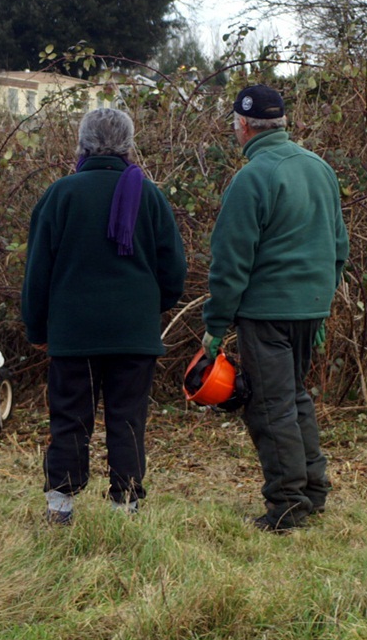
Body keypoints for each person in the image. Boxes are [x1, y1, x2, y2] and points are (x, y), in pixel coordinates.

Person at [22, 109, 187, 524]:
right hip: (134, 334)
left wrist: (37, 327)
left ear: (82, 143)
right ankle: (124, 508)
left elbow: (38, 271)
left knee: (69, 418)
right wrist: (147, 309)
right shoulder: (149, 195)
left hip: (73, 333)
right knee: (128, 421)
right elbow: (174, 272)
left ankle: (60, 508)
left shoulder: (61, 194)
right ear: (129, 145)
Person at [202, 85, 349, 533]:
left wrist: (215, 325)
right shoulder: (320, 168)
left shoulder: (252, 178)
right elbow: (338, 248)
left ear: (243, 126)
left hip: (266, 313)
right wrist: (321, 307)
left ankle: (287, 506)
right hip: (309, 310)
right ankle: (313, 491)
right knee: (294, 398)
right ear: (282, 123)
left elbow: (230, 262)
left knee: (270, 407)